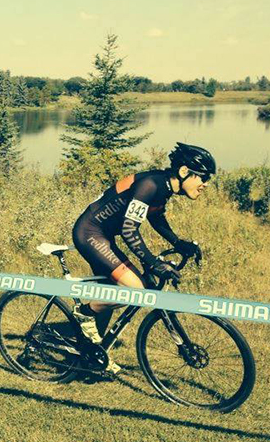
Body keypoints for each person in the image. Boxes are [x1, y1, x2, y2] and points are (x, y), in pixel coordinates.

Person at [71, 142, 216, 373]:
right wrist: (153, 263)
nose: (205, 184)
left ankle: (87, 358)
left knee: (112, 293)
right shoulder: (151, 185)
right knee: (135, 290)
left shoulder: (165, 187)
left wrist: (179, 243)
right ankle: (83, 313)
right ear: (183, 172)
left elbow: (156, 219)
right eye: (202, 177)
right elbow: (130, 230)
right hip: (90, 232)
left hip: (104, 234)